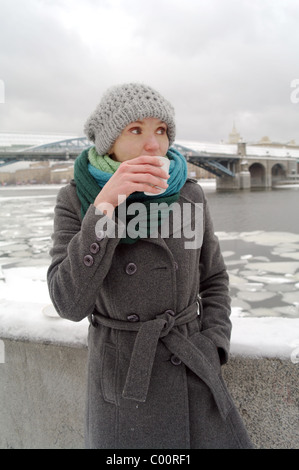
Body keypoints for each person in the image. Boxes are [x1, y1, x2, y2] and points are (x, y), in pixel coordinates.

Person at [47, 82, 253, 449]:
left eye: (161, 130)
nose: (153, 144)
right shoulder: (76, 200)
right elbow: (68, 303)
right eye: (136, 130)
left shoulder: (188, 196)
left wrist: (214, 342)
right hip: (122, 383)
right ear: (110, 141)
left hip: (191, 370)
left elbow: (215, 277)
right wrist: (104, 208)